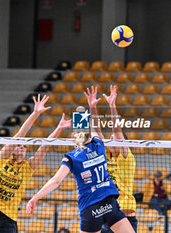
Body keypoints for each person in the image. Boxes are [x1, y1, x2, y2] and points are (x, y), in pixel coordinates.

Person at [26, 86, 135, 233]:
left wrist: (35, 198)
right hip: (109, 205)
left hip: (90, 208)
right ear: (90, 136)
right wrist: (92, 107)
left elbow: (56, 181)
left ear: (74, 138)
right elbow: (96, 128)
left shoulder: (71, 157)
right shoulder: (99, 146)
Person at [0, 94, 71, 233]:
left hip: (8, 220)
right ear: (12, 148)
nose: (23, 146)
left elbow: (44, 147)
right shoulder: (3, 158)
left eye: (24, 146)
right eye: (19, 145)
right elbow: (20, 135)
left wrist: (59, 128)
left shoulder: (27, 167)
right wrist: (35, 113)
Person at [90, 85, 137, 233]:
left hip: (125, 214)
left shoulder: (126, 157)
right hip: (108, 212)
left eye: (114, 139)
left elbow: (117, 131)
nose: (111, 141)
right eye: (109, 139)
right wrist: (92, 107)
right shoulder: (106, 155)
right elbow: (97, 131)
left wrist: (112, 106)